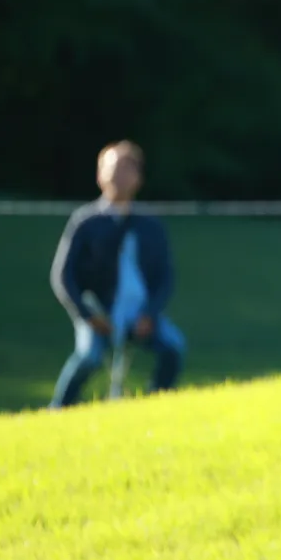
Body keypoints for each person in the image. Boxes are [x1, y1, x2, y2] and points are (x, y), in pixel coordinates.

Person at [48, 141, 186, 408]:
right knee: (88, 357)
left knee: (174, 347)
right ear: (100, 175)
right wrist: (87, 316)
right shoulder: (86, 221)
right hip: (97, 311)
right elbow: (62, 276)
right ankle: (58, 408)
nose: (119, 176)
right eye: (113, 169)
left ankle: (154, 403)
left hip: (139, 313)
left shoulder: (150, 226)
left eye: (126, 169)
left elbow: (165, 276)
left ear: (138, 178)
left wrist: (150, 314)